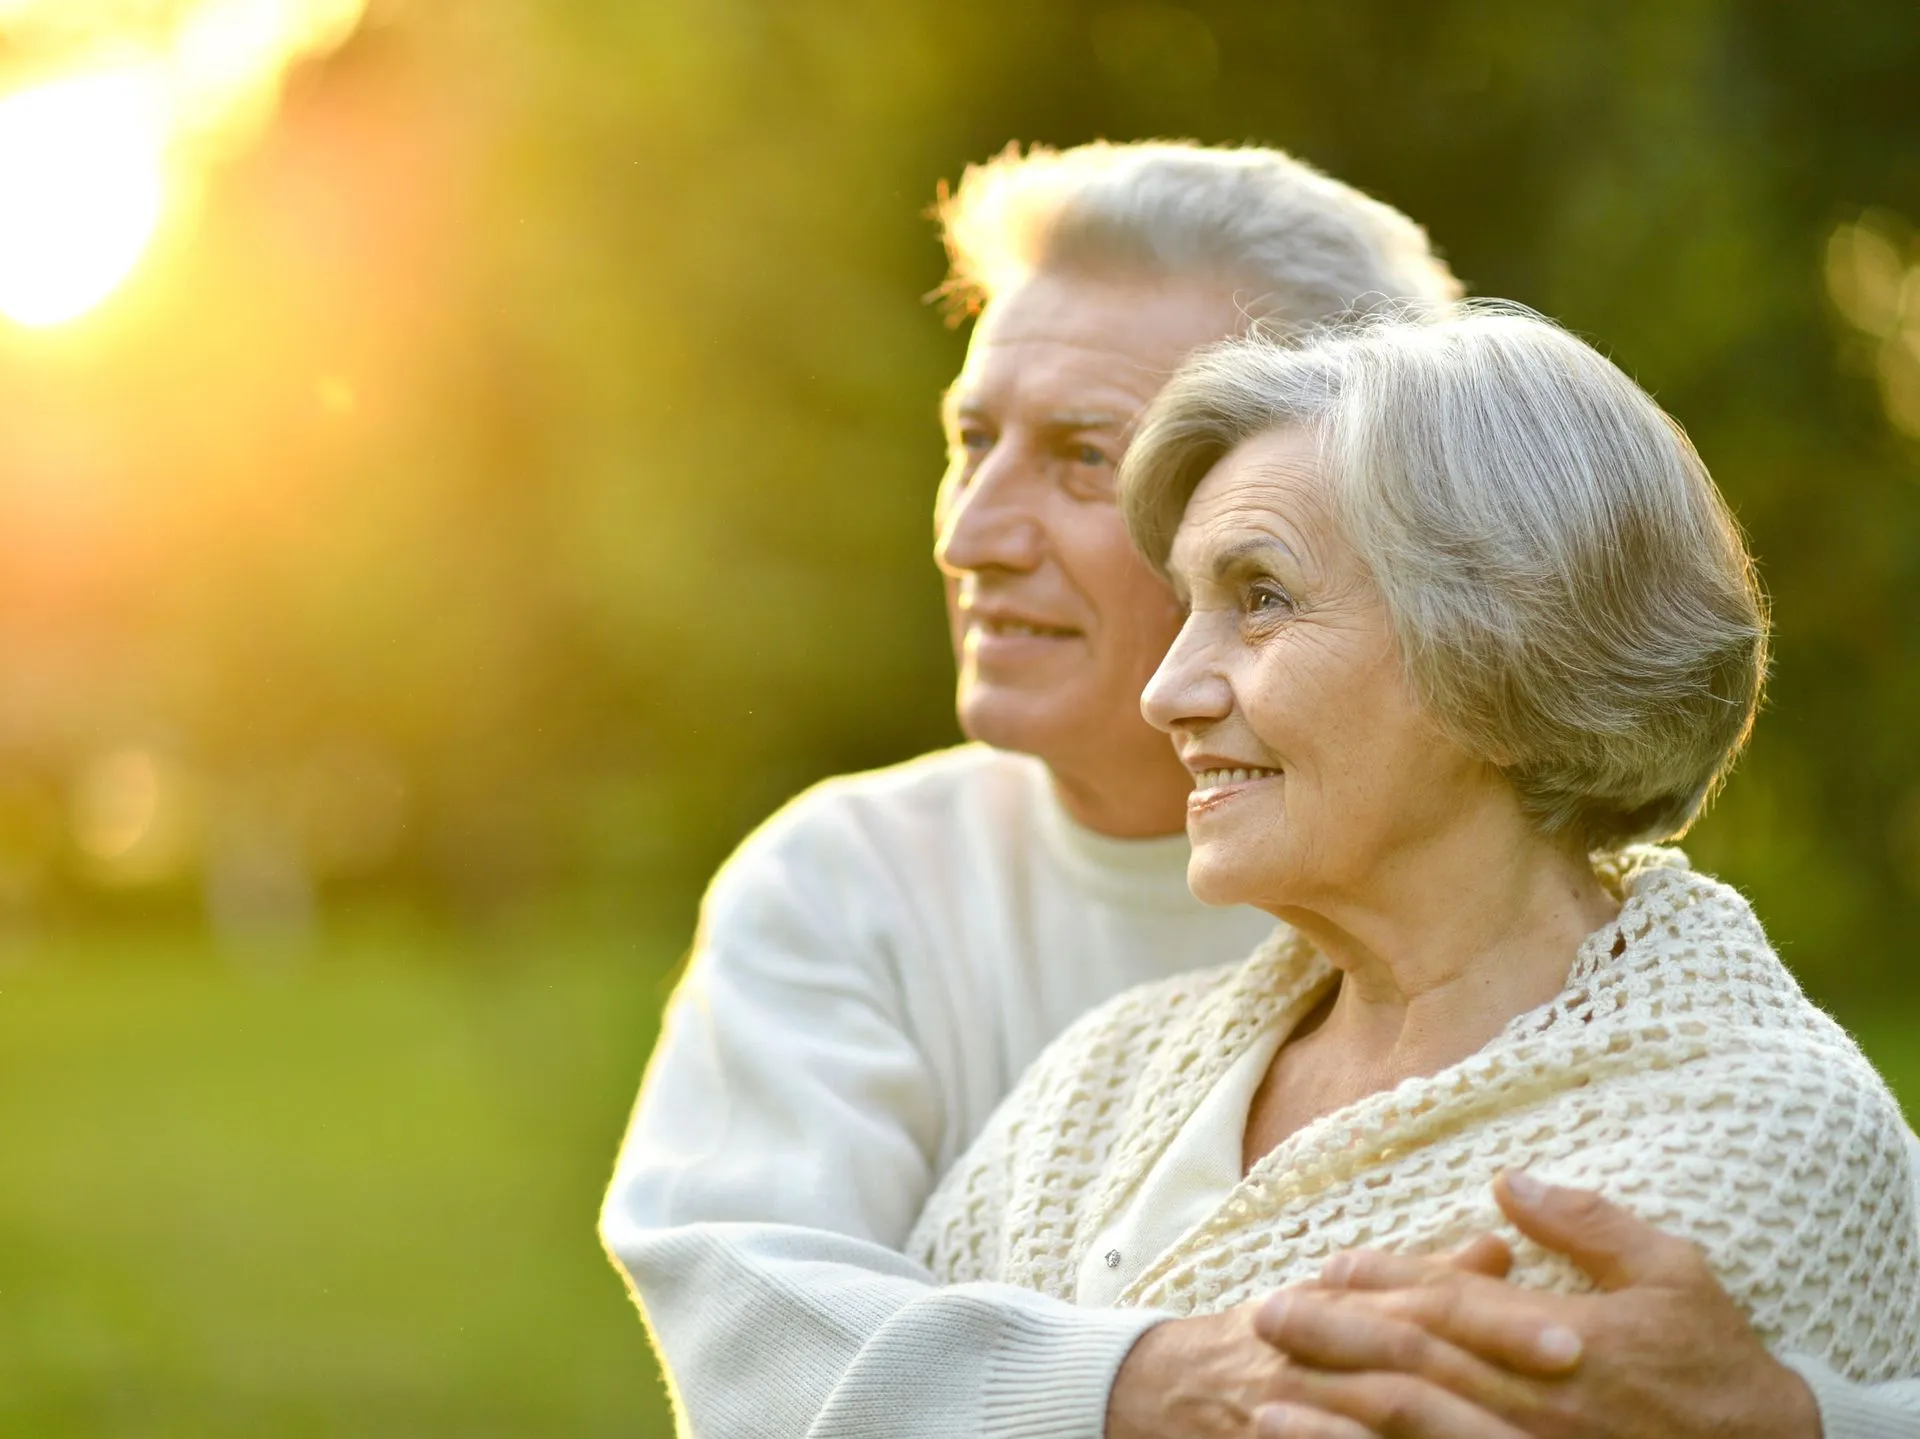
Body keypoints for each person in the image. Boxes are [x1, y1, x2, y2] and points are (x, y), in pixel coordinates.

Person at [600, 141, 1920, 1437]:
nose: (965, 534)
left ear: (1500, 629)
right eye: (970, 439)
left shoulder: (1733, 1112)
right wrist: (1145, 1383)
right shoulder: (973, 971)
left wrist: (1810, 1419)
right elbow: (754, 1333)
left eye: (1079, 455)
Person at [908, 305, 1920, 1423]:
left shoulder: (1757, 1131)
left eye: (1261, 600)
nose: (1167, 691)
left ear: (1506, 645)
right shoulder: (1100, 1075)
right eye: (1186, 607)